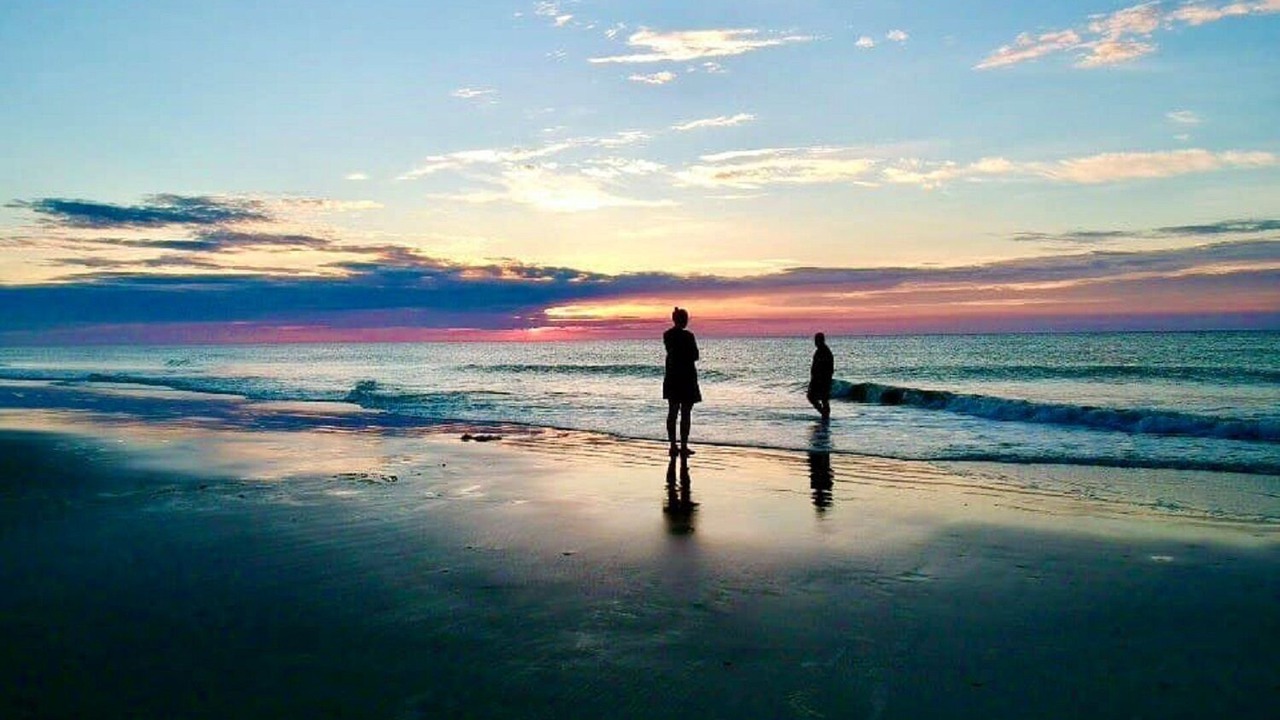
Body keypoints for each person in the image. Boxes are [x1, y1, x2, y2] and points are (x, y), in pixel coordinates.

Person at [662, 307, 701, 457]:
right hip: (687, 377)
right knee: (685, 413)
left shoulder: (667, 335)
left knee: (673, 412)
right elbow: (695, 356)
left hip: (672, 377)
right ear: (683, 320)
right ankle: (683, 446)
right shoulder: (689, 336)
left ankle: (673, 445)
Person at [807, 332, 833, 421]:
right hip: (817, 379)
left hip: (822, 380)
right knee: (814, 397)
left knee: (822, 399)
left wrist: (822, 379)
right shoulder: (819, 351)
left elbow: (828, 368)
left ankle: (825, 415)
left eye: (817, 340)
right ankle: (824, 414)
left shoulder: (825, 352)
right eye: (815, 340)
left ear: (821, 340)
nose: (815, 342)